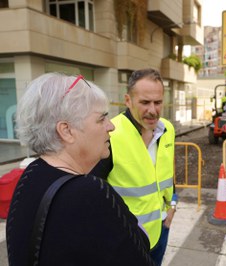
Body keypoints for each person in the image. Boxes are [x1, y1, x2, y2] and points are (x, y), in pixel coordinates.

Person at [6, 73, 154, 266]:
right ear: (66, 131)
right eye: (101, 119)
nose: (111, 126)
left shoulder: (31, 173)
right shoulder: (90, 192)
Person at [91, 68, 176, 266]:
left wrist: (172, 206)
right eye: (145, 102)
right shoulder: (110, 133)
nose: (153, 110)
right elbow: (93, 191)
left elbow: (169, 174)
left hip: (161, 230)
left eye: (158, 102)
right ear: (128, 100)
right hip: (125, 239)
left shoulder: (167, 129)